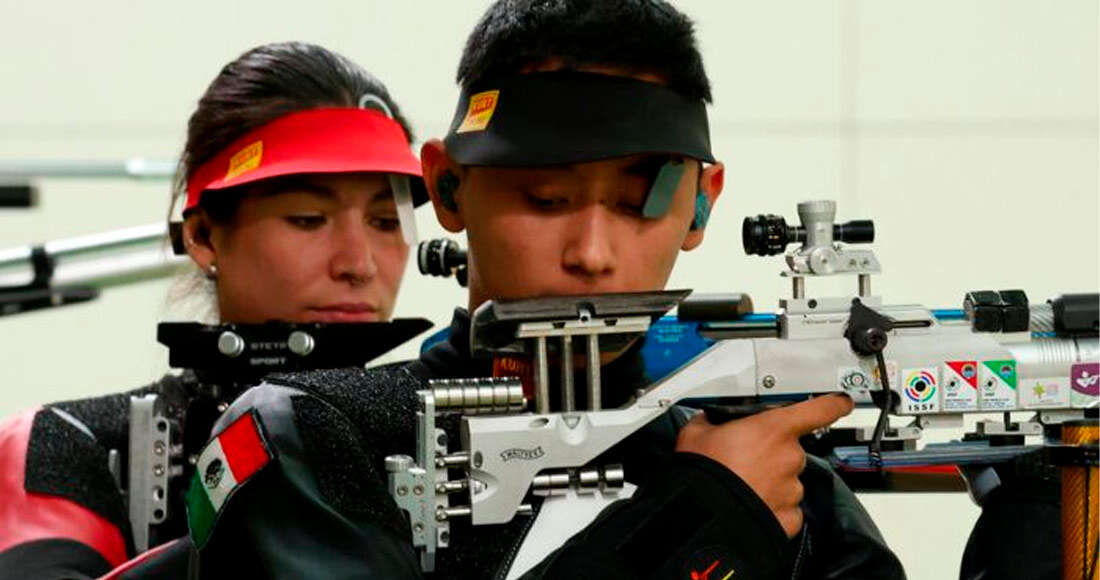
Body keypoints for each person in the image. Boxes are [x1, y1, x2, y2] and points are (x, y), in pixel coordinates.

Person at [177, 3, 907, 580]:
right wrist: (698, 520)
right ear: (447, 186)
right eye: (547, 198)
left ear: (702, 204)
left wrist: (1022, 515)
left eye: (637, 205)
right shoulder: (314, 438)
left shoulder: (764, 465)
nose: (591, 254)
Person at [0, 41, 427, 580]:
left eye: (387, 223)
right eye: (308, 218)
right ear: (203, 235)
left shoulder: (444, 435)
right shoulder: (67, 440)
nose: (359, 264)